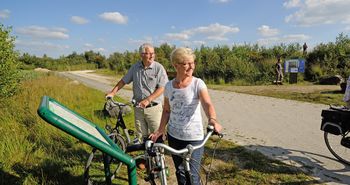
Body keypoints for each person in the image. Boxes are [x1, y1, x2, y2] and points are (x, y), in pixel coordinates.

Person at [150, 47, 222, 185]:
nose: (191, 67)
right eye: (186, 63)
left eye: (192, 63)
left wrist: (212, 119)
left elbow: (207, 104)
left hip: (193, 138)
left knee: (193, 176)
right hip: (174, 136)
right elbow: (166, 111)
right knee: (180, 172)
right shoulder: (169, 86)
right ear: (175, 65)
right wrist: (160, 130)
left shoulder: (197, 83)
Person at [106, 43, 168, 143]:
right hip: (138, 109)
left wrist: (148, 100)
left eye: (153, 53)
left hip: (154, 108)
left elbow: (162, 88)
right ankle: (146, 157)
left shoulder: (158, 68)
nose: (152, 55)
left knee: (157, 136)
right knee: (142, 137)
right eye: (149, 53)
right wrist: (113, 92)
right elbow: (123, 81)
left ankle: (159, 157)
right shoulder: (135, 68)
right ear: (142, 54)